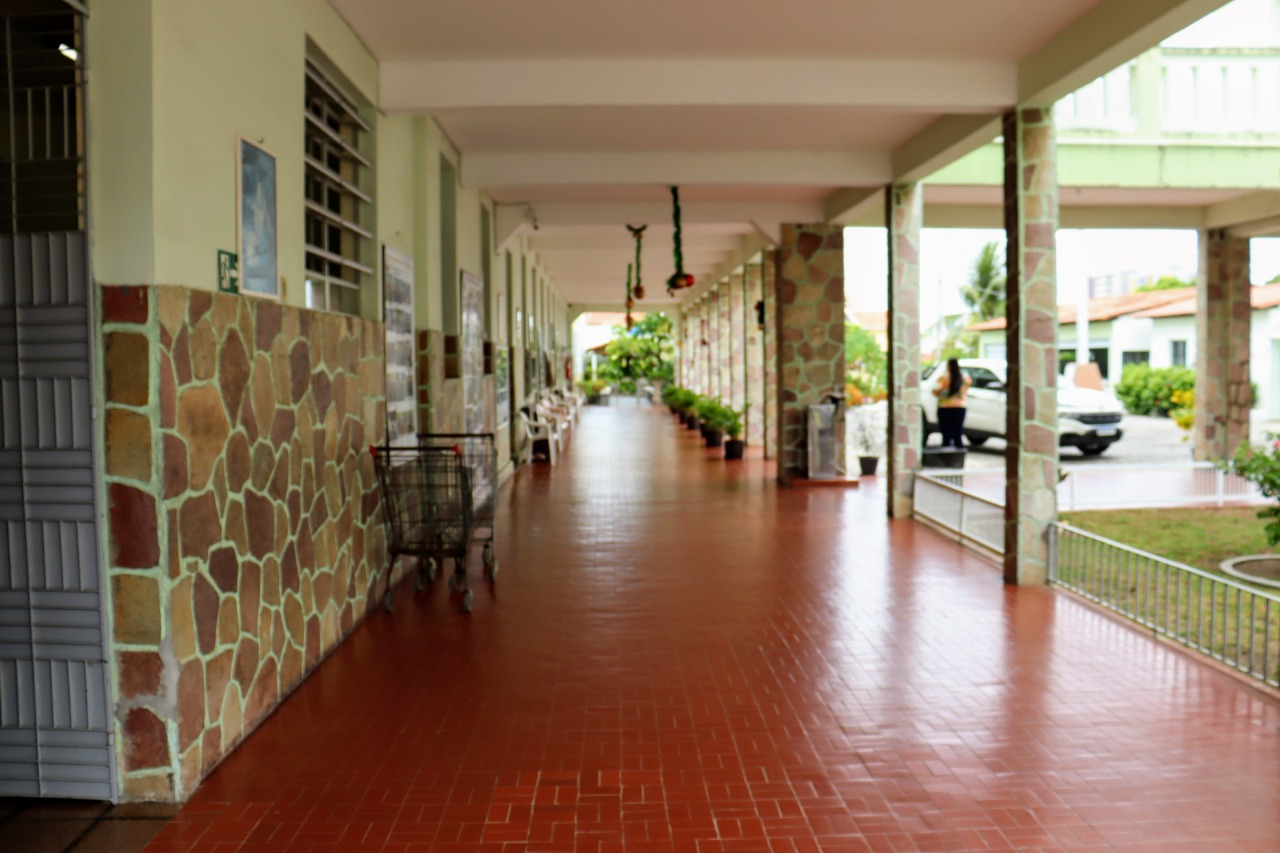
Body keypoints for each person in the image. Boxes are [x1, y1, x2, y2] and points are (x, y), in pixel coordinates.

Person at [932, 358, 972, 449]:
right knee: (958, 433)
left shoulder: (943, 378)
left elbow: (935, 390)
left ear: (949, 366)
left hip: (944, 408)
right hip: (960, 408)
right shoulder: (965, 378)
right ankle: (959, 453)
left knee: (946, 434)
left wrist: (943, 394)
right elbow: (968, 386)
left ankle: (947, 454)